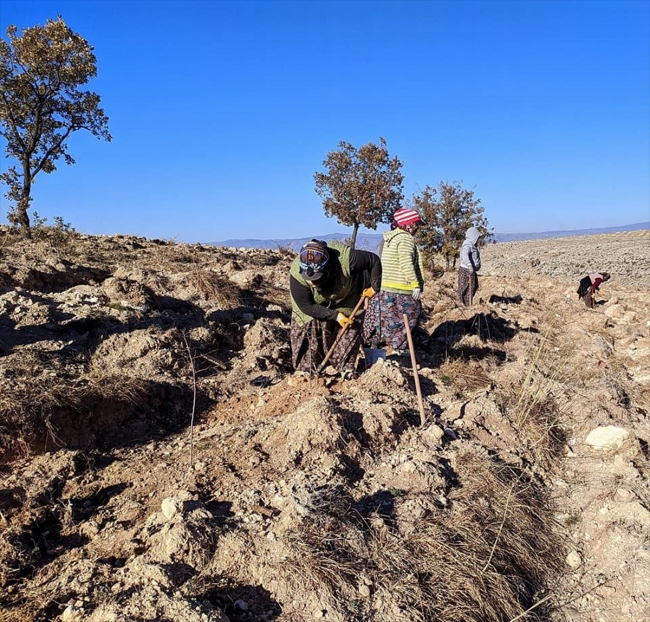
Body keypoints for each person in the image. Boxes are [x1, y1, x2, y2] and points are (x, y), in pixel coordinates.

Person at [289, 239, 381, 374]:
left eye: (317, 279)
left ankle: (344, 368)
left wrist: (374, 288)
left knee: (349, 326)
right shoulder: (297, 275)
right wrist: (336, 316)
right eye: (310, 280)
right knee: (309, 325)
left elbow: (374, 260)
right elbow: (306, 306)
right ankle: (307, 369)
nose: (313, 283)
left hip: (349, 293)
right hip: (314, 304)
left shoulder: (347, 260)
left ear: (327, 268)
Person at [363, 208, 424, 353]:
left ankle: (385, 344)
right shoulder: (405, 239)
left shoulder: (391, 239)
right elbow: (406, 262)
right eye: (416, 225)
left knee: (390, 318)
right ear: (407, 225)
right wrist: (415, 284)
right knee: (411, 315)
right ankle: (399, 348)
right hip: (402, 287)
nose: (417, 228)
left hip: (387, 287)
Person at [458, 226, 482, 306]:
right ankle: (466, 306)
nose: (478, 239)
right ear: (473, 236)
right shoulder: (468, 244)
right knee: (466, 289)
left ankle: (468, 304)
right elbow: (464, 254)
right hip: (466, 270)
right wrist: (469, 265)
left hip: (470, 270)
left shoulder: (471, 244)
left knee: (472, 288)